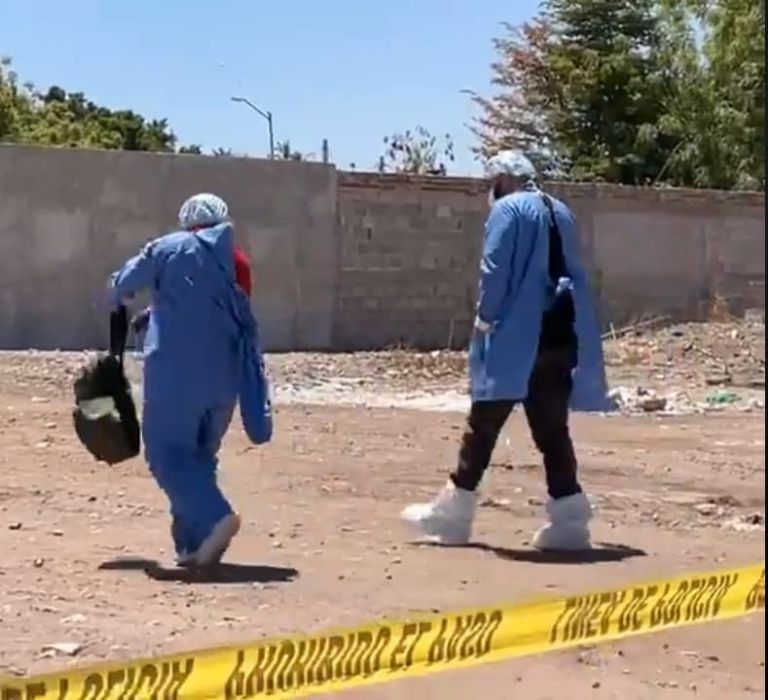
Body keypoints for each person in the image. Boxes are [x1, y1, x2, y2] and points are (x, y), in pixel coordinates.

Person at [401, 150, 612, 551]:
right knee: (552, 429)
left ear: (501, 180)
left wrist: (485, 318)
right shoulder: (562, 211)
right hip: (563, 335)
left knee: (483, 422)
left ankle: (452, 516)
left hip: (519, 334)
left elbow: (494, 270)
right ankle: (570, 521)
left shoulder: (508, 210)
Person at [110, 193, 256, 568]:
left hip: (177, 375)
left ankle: (214, 517)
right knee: (198, 459)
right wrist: (155, 311)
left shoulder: (168, 248)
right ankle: (193, 546)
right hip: (226, 379)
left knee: (168, 454)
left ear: (187, 223)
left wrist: (122, 296)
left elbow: (123, 283)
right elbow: (208, 306)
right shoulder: (235, 260)